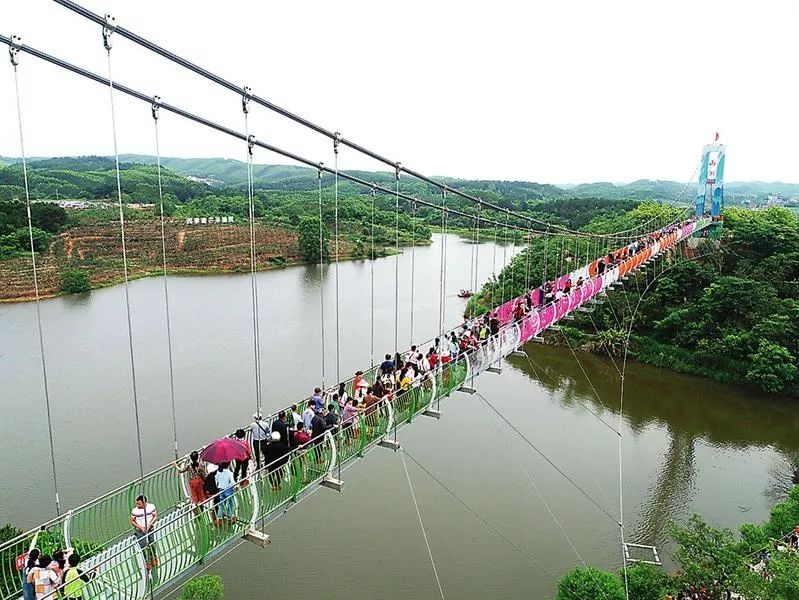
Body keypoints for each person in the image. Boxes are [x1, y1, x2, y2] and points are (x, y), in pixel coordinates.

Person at [130, 495, 158, 568]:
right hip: (140, 531)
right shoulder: (135, 511)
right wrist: (140, 527)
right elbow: (132, 521)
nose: (137, 505)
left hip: (150, 529)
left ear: (144, 502)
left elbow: (155, 516)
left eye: (139, 504)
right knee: (142, 546)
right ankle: (146, 562)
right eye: (137, 504)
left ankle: (153, 558)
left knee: (152, 543)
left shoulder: (151, 507)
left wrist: (149, 525)